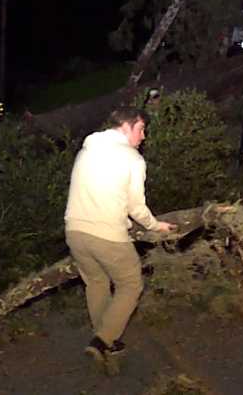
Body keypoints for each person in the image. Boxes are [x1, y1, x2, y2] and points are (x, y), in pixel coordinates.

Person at [64, 106, 175, 366]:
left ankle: (106, 338)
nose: (144, 136)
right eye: (141, 129)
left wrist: (123, 219)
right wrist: (154, 224)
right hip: (106, 235)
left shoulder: (87, 150)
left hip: (75, 231)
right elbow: (136, 206)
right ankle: (102, 341)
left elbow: (99, 192)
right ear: (126, 127)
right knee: (131, 284)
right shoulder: (132, 159)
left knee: (96, 282)